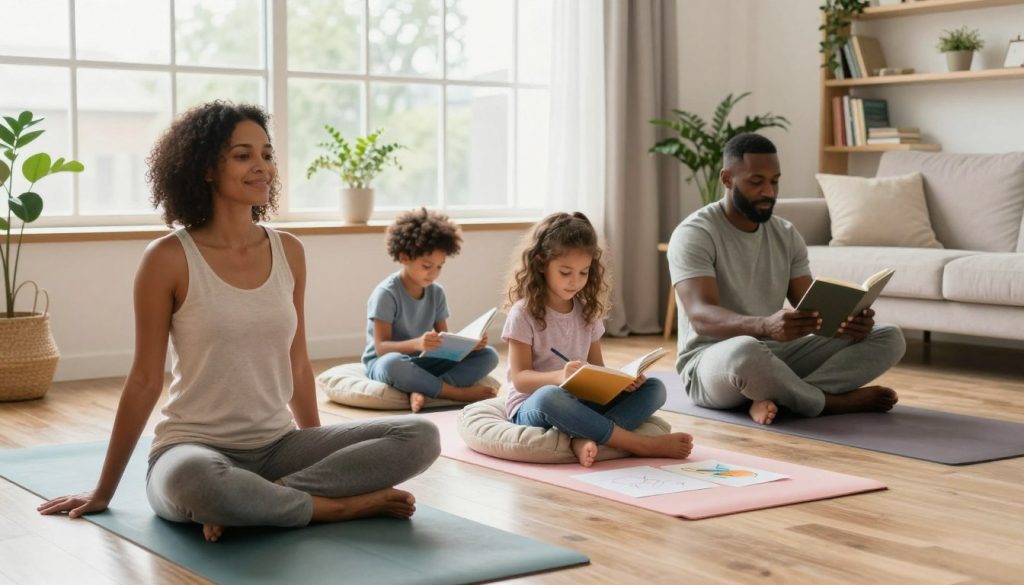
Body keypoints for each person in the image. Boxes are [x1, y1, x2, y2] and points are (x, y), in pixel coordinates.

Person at [37, 102, 440, 541]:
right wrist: (104, 491)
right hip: (192, 450)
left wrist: (322, 460)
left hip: (278, 447)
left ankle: (267, 501)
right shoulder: (167, 258)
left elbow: (298, 365)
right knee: (199, 483)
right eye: (243, 155)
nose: (262, 167)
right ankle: (335, 509)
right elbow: (143, 381)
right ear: (207, 169)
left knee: (420, 435)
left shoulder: (289, 251)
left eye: (267, 154)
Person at [668, 133, 906, 425]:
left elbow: (813, 312)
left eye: (775, 181)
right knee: (746, 350)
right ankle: (828, 402)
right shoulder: (694, 233)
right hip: (712, 361)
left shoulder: (786, 233)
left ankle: (785, 398)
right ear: (727, 179)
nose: (769, 191)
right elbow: (701, 316)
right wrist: (765, 325)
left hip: (775, 355)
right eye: (757, 182)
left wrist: (848, 323)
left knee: (889, 336)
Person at [502, 211, 694, 467]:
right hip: (535, 404)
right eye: (566, 272)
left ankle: (579, 438)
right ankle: (638, 444)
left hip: (581, 402)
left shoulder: (588, 312)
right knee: (551, 396)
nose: (575, 281)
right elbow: (520, 379)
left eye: (583, 272)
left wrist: (621, 382)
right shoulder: (523, 314)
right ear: (540, 264)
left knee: (655, 389)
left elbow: (597, 370)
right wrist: (560, 377)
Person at [362, 208, 500, 413]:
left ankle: (421, 387)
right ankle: (454, 392)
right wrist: (417, 343)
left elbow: (445, 338)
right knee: (392, 364)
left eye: (439, 266)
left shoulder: (436, 293)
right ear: (404, 256)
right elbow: (381, 348)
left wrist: (469, 345)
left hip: (424, 361)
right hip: (387, 361)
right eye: (427, 265)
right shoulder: (386, 294)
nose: (433, 274)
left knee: (490, 356)